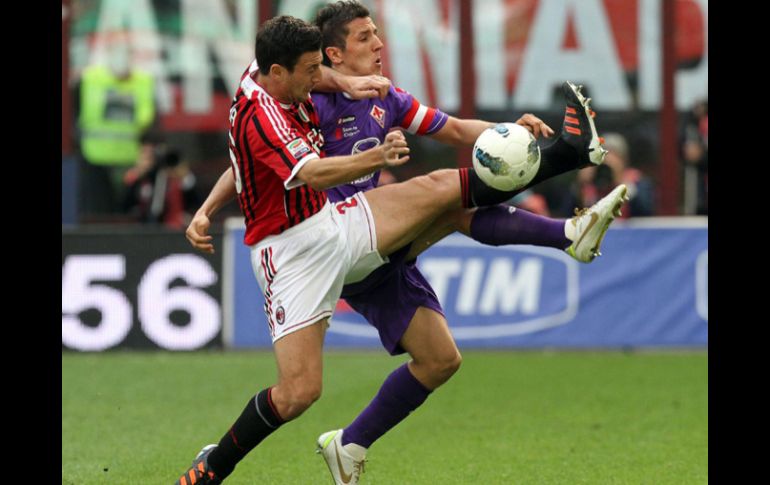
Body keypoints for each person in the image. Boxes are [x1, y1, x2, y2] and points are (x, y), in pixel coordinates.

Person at [175, 15, 627, 485]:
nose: (377, 44)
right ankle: (215, 465)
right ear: (279, 72)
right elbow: (299, 170)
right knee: (298, 393)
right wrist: (376, 156)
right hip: (292, 251)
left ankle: (347, 445)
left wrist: (506, 133)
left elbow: (448, 128)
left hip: (338, 225)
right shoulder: (265, 112)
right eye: (364, 37)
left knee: (439, 349)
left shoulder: (337, 85)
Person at [74, 40, 160, 220]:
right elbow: (73, 115)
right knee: (98, 214)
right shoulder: (90, 80)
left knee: (130, 213)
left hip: (130, 162)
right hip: (94, 160)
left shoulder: (144, 82)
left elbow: (152, 123)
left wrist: (147, 156)